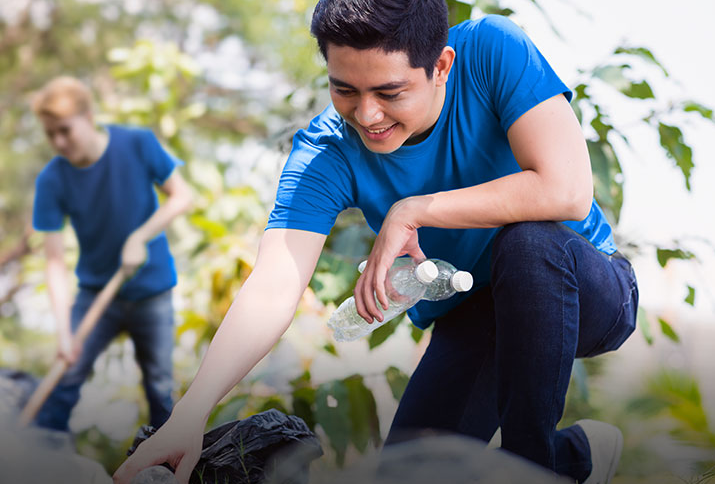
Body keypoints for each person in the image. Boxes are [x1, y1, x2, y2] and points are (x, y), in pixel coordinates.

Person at [114, 1, 638, 483]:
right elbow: (274, 285)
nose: (367, 115)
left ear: (441, 66)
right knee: (407, 474)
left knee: (526, 244)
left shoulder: (493, 50)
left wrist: (412, 209)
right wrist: (189, 415)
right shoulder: (327, 152)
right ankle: (576, 459)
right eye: (345, 90)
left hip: (584, 285)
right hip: (476, 318)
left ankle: (534, 470)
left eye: (389, 93)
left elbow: (565, 189)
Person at [30, 76, 193, 432]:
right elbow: (54, 262)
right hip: (95, 295)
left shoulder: (137, 143)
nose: (58, 142)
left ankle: (163, 469)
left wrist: (140, 237)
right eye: (50, 134)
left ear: (87, 117)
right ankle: (42, 459)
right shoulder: (52, 180)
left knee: (159, 390)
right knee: (63, 383)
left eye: (65, 130)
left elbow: (182, 196)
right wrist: (63, 333)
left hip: (151, 292)